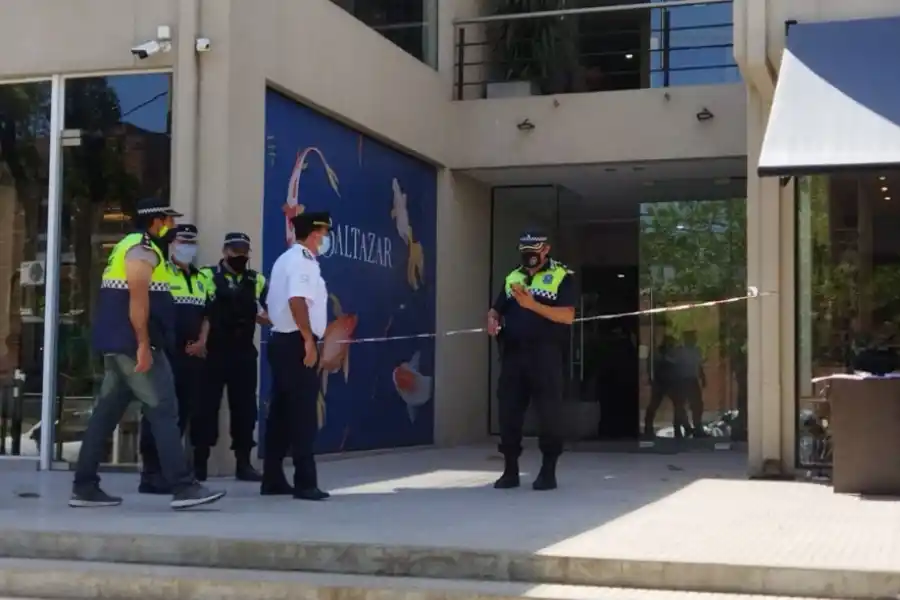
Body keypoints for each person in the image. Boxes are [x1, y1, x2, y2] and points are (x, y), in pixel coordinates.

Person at [70, 198, 225, 510]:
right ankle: (183, 486)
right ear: (156, 221)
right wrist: (143, 344)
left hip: (120, 346)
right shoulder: (142, 250)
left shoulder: (131, 246)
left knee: (105, 415)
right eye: (169, 220)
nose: (172, 226)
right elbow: (138, 301)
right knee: (164, 410)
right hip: (134, 346)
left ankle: (84, 486)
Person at [487, 231, 575, 491]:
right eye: (525, 250)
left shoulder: (561, 276)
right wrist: (492, 320)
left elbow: (567, 316)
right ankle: (510, 470)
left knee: (549, 414)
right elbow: (496, 309)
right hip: (513, 354)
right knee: (508, 412)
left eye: (534, 249)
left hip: (546, 355)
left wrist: (531, 304)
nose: (529, 255)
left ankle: (548, 471)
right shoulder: (513, 277)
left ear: (546, 249)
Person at [262, 212, 332, 501]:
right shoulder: (303, 261)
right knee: (303, 412)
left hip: (282, 340)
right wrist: (307, 339)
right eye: (324, 233)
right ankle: (305, 481)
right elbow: (297, 300)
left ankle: (272, 477)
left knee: (281, 412)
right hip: (295, 342)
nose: (326, 239)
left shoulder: (285, 259)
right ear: (315, 234)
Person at [138, 224, 212, 494]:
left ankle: (169, 471)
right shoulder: (162, 272)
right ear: (171, 245)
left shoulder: (202, 278)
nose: (187, 247)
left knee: (183, 413)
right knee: (157, 412)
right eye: (183, 241)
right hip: (165, 354)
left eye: (191, 242)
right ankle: (151, 473)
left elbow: (207, 314)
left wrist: (202, 341)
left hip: (192, 357)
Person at [193, 232, 270, 481]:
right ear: (225, 251)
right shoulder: (207, 275)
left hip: (243, 353)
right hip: (213, 352)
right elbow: (201, 311)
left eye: (244, 252)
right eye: (236, 251)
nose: (241, 256)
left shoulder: (256, 279)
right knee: (205, 408)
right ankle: (199, 463)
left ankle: (244, 463)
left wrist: (265, 316)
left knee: (245, 409)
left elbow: (270, 309)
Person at [671, 330, 707, 437]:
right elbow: (674, 365)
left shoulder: (697, 350)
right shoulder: (680, 351)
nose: (695, 340)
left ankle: (697, 427)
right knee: (680, 405)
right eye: (692, 337)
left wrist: (703, 377)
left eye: (694, 338)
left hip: (692, 380)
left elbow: (699, 365)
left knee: (697, 405)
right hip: (681, 380)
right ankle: (678, 428)